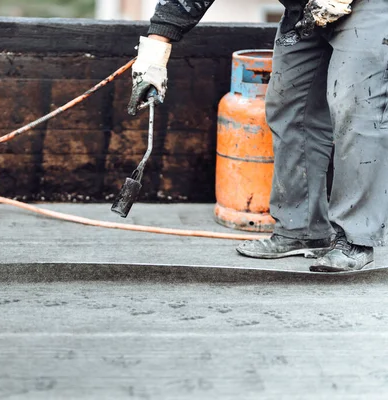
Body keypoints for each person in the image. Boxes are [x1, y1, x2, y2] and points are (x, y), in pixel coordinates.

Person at [130, 0, 388, 272]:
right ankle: (301, 229)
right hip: (305, 7)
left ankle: (355, 238)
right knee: (290, 107)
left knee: (357, 107)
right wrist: (154, 55)